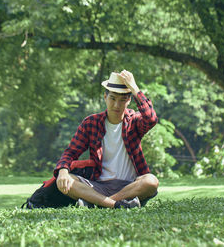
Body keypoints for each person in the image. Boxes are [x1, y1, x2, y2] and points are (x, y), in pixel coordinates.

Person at [54, 70, 159, 208]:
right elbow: (71, 152)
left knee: (151, 181)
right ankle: (117, 204)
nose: (116, 105)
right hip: (98, 185)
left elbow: (151, 119)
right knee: (65, 180)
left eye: (122, 100)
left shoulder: (134, 121)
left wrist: (134, 87)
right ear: (105, 97)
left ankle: (100, 203)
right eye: (113, 98)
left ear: (128, 100)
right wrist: (62, 170)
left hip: (129, 185)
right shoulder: (91, 123)